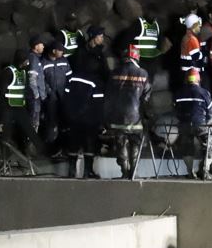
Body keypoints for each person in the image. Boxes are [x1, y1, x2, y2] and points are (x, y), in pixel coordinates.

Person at [105, 46, 152, 178]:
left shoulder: (114, 72)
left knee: (121, 144)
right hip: (136, 117)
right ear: (136, 57)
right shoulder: (143, 73)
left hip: (118, 117)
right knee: (135, 144)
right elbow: (146, 97)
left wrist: (107, 117)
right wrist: (146, 115)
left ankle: (125, 172)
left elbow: (108, 96)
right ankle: (134, 173)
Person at [62, 64, 104, 178]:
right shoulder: (96, 81)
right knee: (89, 145)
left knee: (73, 144)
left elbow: (66, 96)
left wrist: (68, 114)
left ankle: (71, 172)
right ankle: (87, 172)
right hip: (89, 120)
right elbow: (98, 103)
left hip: (72, 118)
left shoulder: (72, 78)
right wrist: (99, 121)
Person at [0, 51, 42, 157]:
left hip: (19, 107)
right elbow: (0, 92)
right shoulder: (8, 72)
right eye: (26, 60)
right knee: (6, 134)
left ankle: (40, 151)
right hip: (8, 108)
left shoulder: (23, 72)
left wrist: (32, 101)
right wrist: (3, 108)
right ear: (21, 60)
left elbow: (26, 90)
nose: (27, 63)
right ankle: (5, 157)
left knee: (29, 130)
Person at [174, 68, 212, 179]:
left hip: (184, 125)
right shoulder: (204, 93)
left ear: (186, 79)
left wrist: (181, 119)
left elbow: (176, 109)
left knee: (187, 148)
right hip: (200, 124)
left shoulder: (179, 93)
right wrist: (209, 120)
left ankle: (190, 172)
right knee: (209, 147)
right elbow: (210, 110)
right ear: (198, 79)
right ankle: (205, 171)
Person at [41, 42, 71, 151]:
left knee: (65, 120)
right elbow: (41, 80)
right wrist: (49, 91)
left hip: (63, 95)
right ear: (54, 51)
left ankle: (65, 145)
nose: (62, 53)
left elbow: (69, 76)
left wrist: (68, 90)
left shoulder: (64, 60)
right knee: (51, 121)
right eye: (60, 51)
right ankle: (51, 147)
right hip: (51, 98)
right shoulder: (43, 62)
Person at [27, 35, 47, 134]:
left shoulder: (35, 57)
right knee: (34, 120)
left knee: (35, 118)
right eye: (41, 44)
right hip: (34, 97)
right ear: (36, 47)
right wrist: (36, 94)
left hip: (36, 96)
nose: (43, 46)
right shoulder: (33, 59)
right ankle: (31, 139)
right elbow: (32, 78)